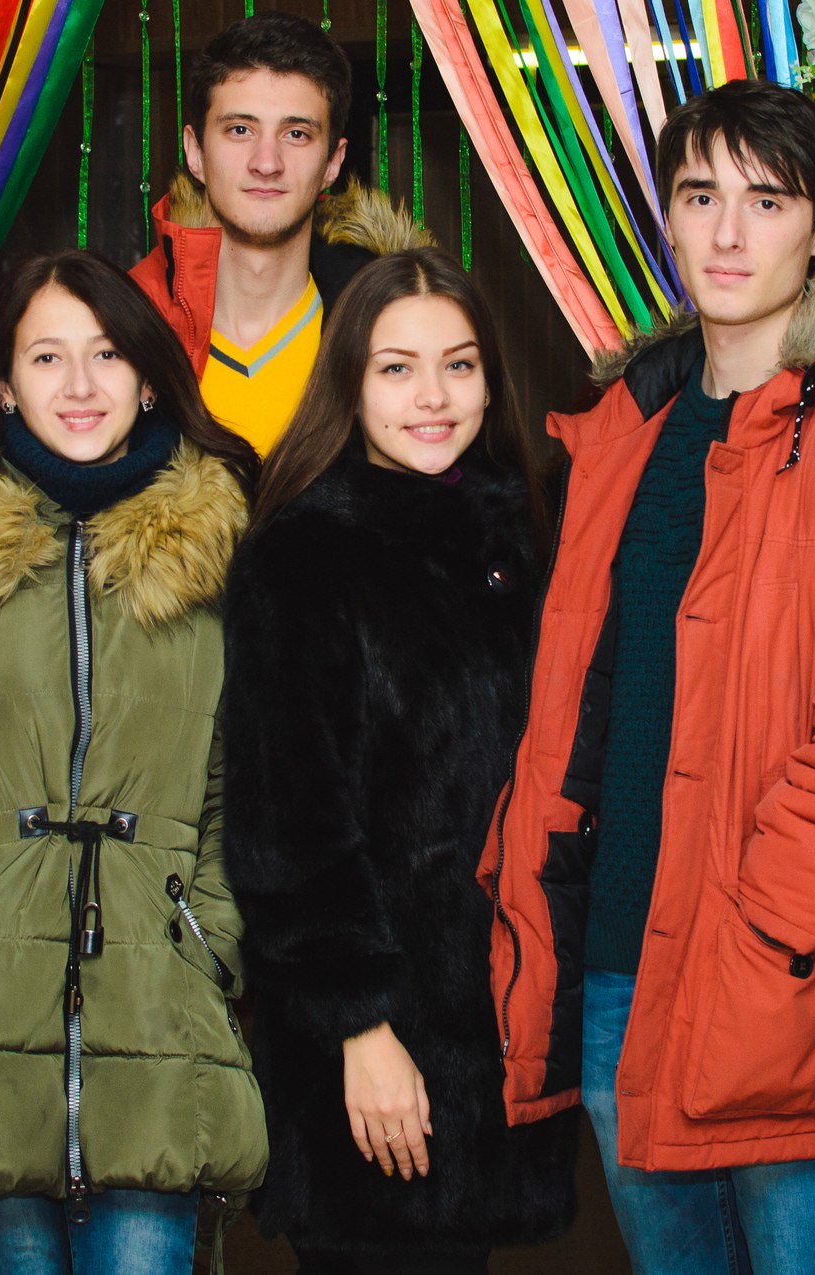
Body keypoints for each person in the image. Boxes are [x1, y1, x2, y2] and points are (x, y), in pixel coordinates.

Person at [480, 80, 815, 1275]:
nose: (729, 233)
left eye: (767, 201)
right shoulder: (623, 427)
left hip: (784, 968)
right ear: (669, 219)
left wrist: (764, 922)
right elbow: (578, 699)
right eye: (701, 198)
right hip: (616, 963)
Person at [0, 250, 267, 1274]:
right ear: (4, 385)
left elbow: (247, 785)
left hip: (159, 1019)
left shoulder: (218, 545)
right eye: (47, 356)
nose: (79, 384)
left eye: (106, 354)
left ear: (147, 376)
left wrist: (205, 942)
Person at [225, 249, 579, 1275]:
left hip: (496, 1040)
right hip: (368, 1057)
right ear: (349, 383)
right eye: (397, 368)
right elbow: (286, 834)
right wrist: (362, 1030)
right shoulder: (302, 555)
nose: (433, 396)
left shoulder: (521, 538)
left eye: (459, 365)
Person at [130, 12, 425, 456]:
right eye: (240, 130)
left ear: (333, 162)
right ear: (195, 152)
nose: (266, 163)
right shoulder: (125, 322)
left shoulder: (397, 323)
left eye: (297, 134)